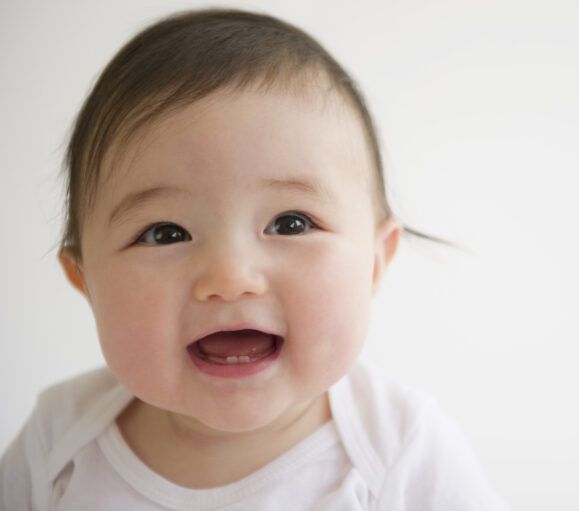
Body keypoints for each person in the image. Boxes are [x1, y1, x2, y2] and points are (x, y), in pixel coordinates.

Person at [0, 8, 507, 510]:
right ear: (85, 280)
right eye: (165, 232)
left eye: (291, 223)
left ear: (376, 261)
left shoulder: (402, 451)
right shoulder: (58, 441)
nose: (230, 277)